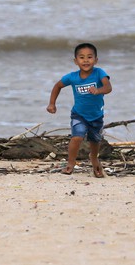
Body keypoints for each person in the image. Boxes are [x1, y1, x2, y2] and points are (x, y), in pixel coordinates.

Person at [47, 42, 112, 177]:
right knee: (77, 137)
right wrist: (52, 104)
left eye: (89, 57)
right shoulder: (72, 77)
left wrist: (98, 90)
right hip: (79, 115)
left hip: (96, 116)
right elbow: (57, 86)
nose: (86, 60)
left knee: (95, 142)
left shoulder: (100, 73)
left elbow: (108, 88)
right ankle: (71, 163)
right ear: (76, 61)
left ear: (96, 60)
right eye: (82, 57)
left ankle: (94, 159)